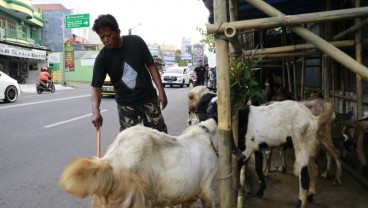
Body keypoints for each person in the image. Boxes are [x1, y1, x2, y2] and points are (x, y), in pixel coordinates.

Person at [91, 14, 168, 133]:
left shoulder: (136, 42)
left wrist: (161, 91)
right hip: (126, 105)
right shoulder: (102, 58)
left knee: (160, 136)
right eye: (102, 37)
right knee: (130, 143)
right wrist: (96, 111)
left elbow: (151, 65)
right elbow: (96, 87)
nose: (106, 40)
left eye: (108, 35)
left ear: (118, 31)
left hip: (148, 99)